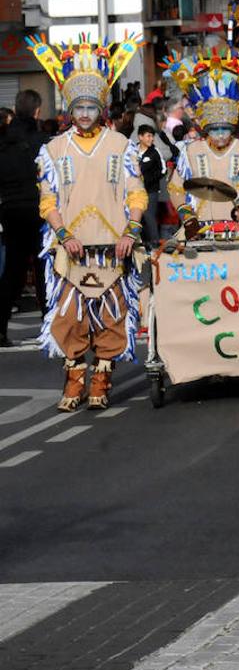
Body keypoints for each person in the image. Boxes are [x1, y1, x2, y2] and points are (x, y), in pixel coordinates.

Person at [26, 33, 147, 410]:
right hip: (71, 248)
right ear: (69, 108)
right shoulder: (53, 149)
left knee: (112, 317)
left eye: (90, 107)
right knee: (68, 318)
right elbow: (47, 200)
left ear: (101, 108)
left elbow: (136, 193)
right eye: (77, 107)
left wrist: (132, 230)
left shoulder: (121, 145)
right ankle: (74, 379)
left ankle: (102, 379)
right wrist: (62, 233)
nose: (83, 114)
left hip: (112, 247)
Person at [163, 50, 239, 240]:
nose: (221, 135)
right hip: (199, 229)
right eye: (215, 130)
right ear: (206, 129)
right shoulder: (191, 150)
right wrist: (188, 217)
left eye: (225, 129)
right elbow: (176, 188)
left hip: (236, 228)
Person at [0, 89, 49, 346]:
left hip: (10, 209)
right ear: (37, 111)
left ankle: (0, 328)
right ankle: (50, 325)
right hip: (39, 209)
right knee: (44, 269)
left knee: (13, 272)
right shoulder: (42, 140)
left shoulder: (4, 140)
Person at [133, 124, 164, 247]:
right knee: (136, 217)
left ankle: (155, 244)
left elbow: (162, 170)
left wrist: (147, 180)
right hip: (134, 192)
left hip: (150, 191)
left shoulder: (155, 152)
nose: (151, 139)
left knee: (149, 216)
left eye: (152, 136)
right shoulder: (132, 150)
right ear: (140, 137)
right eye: (148, 136)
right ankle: (140, 244)